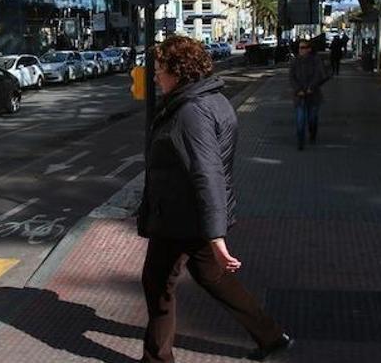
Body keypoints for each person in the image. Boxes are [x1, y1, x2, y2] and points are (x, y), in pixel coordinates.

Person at [138, 36, 291, 363]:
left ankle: (157, 358)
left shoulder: (191, 112)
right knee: (214, 279)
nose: (155, 75)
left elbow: (207, 173)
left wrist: (216, 237)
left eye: (160, 69)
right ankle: (273, 337)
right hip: (190, 216)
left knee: (156, 282)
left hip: (180, 218)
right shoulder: (211, 98)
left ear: (178, 71)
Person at [289, 39, 328, 150]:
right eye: (300, 48)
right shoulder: (295, 61)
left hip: (313, 95)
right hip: (299, 96)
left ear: (309, 49)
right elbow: (292, 77)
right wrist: (298, 90)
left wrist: (312, 87)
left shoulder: (316, 60)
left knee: (312, 118)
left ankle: (312, 133)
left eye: (304, 47)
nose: (301, 50)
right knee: (300, 119)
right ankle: (300, 141)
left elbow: (320, 75)